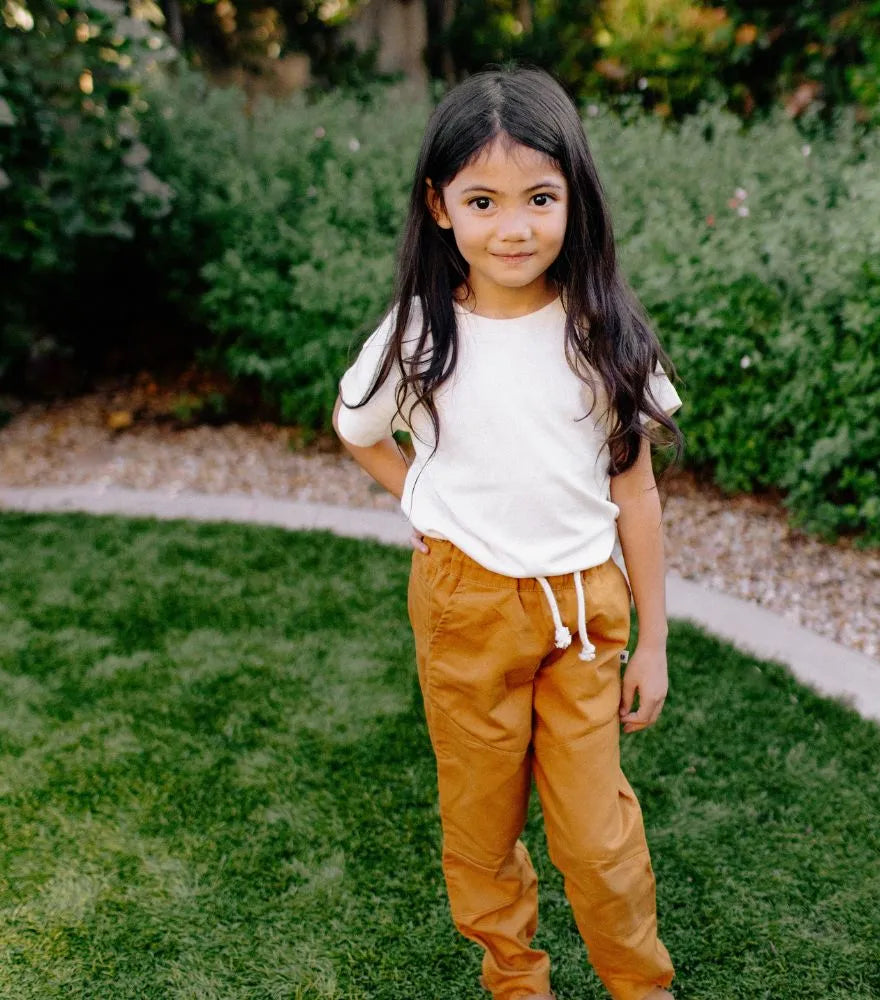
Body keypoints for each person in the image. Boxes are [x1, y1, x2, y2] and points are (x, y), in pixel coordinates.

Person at [333, 65, 684, 1000]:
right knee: (483, 830)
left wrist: (652, 637)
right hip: (466, 612)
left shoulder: (603, 333)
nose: (515, 226)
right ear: (440, 206)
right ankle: (516, 984)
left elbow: (637, 495)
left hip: (584, 617)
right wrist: (425, 499)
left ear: (576, 197)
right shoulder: (419, 332)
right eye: (483, 200)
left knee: (597, 838)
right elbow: (359, 431)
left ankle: (641, 988)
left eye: (540, 197)